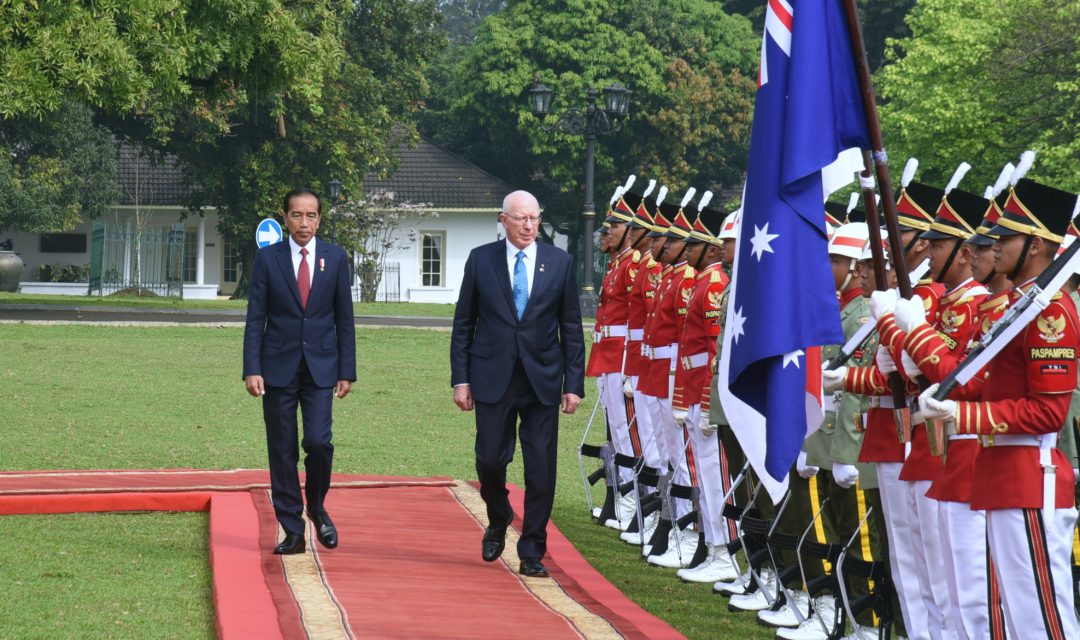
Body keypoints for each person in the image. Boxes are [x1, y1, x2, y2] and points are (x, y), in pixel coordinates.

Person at [450, 190, 585, 578]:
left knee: (541, 468)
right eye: (521, 218)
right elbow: (464, 324)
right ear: (502, 219)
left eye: (534, 218)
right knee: (490, 460)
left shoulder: (560, 263)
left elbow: (571, 328)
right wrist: (461, 379)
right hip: (492, 376)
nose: (529, 226)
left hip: (543, 378)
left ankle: (532, 550)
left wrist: (572, 383)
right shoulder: (481, 260)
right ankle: (498, 516)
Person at [243, 187, 357, 555]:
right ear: (285, 218)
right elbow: (255, 316)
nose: (303, 223)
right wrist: (252, 368)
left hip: (322, 367)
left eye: (310, 216)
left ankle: (317, 506)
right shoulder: (268, 259)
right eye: (296, 215)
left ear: (319, 219)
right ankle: (292, 529)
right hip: (276, 367)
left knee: (319, 443)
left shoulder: (335, 258)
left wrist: (347, 371)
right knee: (282, 449)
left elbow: (344, 318)